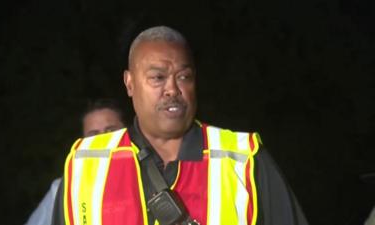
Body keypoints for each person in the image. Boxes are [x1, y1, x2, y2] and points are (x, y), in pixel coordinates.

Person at [53, 26, 309, 225]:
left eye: (184, 77)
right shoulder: (85, 163)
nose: (173, 90)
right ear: (130, 83)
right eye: (158, 77)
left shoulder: (243, 159)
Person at [25, 99, 127, 225]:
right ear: (82, 141)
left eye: (111, 130)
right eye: (93, 134)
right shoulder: (63, 189)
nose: (103, 139)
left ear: (126, 131)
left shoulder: (148, 172)